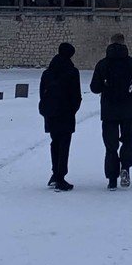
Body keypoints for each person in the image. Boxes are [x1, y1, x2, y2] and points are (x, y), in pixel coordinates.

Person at [89, 32, 132, 189]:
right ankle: (125, 168)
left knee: (111, 145)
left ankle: (112, 178)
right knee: (128, 140)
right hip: (128, 110)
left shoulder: (102, 64)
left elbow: (94, 87)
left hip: (109, 111)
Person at [39, 41, 82, 191]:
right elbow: (77, 96)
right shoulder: (72, 72)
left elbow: (42, 94)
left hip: (51, 113)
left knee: (54, 142)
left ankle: (55, 173)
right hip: (66, 113)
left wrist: (46, 110)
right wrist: (72, 110)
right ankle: (60, 176)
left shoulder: (47, 73)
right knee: (64, 145)